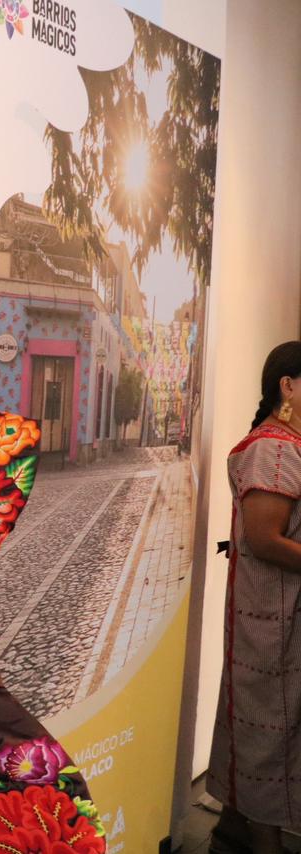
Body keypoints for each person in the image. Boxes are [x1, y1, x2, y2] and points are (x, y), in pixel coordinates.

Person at [208, 341, 301, 854]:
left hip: (275, 613)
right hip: (274, 615)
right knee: (269, 729)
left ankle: (234, 829)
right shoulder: (273, 447)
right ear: (287, 386)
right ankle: (263, 842)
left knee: (266, 725)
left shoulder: (284, 443)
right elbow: (266, 540)